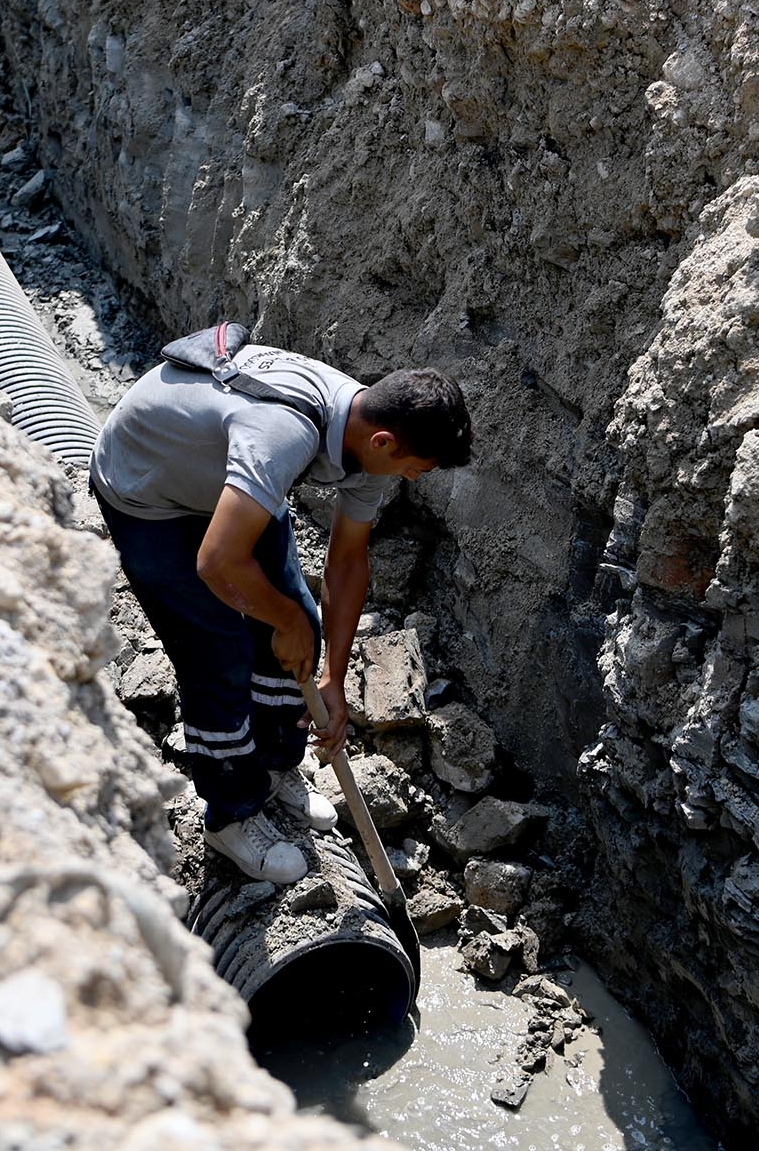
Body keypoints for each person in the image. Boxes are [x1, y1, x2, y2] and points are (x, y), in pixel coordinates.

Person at [89, 329, 474, 884]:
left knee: (298, 618)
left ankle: (274, 765)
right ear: (387, 442)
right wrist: (284, 620)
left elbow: (345, 564)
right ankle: (232, 815)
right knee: (218, 650)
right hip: (147, 489)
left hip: (221, 482)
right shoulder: (286, 432)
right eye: (419, 467)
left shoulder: (363, 440)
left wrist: (333, 677)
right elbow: (217, 562)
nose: (415, 479)